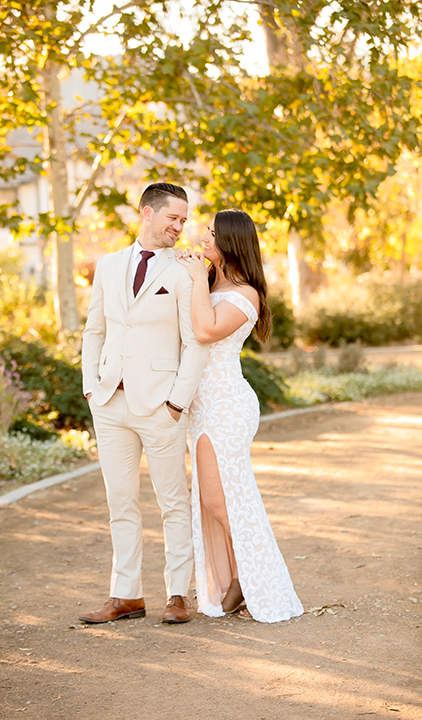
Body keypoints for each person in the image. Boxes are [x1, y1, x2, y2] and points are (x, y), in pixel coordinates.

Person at [79, 182, 209, 625]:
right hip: (110, 403)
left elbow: (195, 343)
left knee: (173, 502)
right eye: (173, 217)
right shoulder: (110, 265)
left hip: (159, 406)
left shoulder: (184, 271)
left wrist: (176, 402)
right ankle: (126, 595)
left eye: (184, 220)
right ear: (147, 213)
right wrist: (90, 388)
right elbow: (94, 331)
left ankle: (177, 595)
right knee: (121, 503)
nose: (180, 226)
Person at [176, 209, 303, 622]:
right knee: (216, 499)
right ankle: (235, 582)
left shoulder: (245, 293)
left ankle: (255, 580)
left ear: (232, 241)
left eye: (212, 233)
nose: (202, 237)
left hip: (226, 404)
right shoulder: (210, 281)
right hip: (200, 405)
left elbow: (206, 331)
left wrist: (196, 279)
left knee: (221, 499)